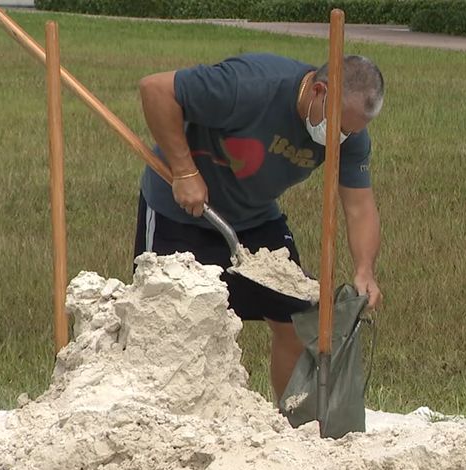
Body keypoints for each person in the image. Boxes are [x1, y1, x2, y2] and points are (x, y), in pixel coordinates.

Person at [133, 52, 385, 402]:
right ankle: (162, 415)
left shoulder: (350, 135)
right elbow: (156, 89)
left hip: (254, 219)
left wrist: (364, 269)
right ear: (318, 92)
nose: (343, 137)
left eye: (352, 131)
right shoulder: (250, 85)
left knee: (299, 318)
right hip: (177, 212)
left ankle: (289, 422)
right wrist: (185, 171)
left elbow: (359, 207)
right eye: (341, 125)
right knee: (167, 323)